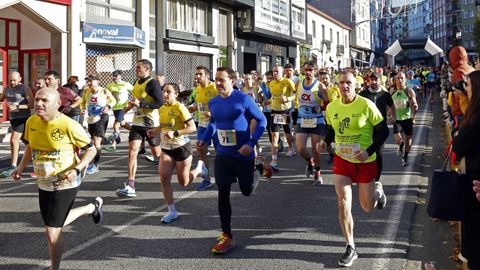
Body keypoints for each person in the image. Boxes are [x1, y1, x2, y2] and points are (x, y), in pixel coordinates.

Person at [11, 88, 103, 270]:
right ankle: (91, 207)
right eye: (37, 99)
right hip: (44, 180)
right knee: (53, 222)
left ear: (57, 104)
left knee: (52, 231)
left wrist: (77, 169)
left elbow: (91, 149)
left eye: (44, 100)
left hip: (66, 180)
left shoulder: (69, 125)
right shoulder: (32, 121)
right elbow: (30, 147)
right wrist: (20, 167)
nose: (38, 103)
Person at [317, 71, 388, 267]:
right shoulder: (332, 107)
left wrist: (368, 151)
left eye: (348, 83)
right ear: (337, 85)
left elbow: (383, 131)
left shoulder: (366, 105)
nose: (344, 86)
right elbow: (331, 130)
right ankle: (350, 246)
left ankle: (377, 191)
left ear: (355, 85)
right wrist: (324, 142)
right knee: (343, 202)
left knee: (367, 207)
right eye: (341, 83)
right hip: (342, 161)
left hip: (365, 162)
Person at [197, 67, 266, 254]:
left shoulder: (243, 99)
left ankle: (258, 169)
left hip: (243, 155)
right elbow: (213, 123)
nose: (218, 83)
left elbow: (262, 121)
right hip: (223, 155)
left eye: (222, 80)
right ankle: (227, 236)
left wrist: (252, 143)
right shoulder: (213, 102)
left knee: (247, 191)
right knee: (222, 194)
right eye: (216, 80)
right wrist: (204, 137)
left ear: (232, 81)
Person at [147, 83, 207, 223]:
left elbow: (192, 127)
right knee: (164, 178)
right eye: (164, 91)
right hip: (166, 149)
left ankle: (199, 168)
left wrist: (175, 133)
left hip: (181, 148)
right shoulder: (161, 109)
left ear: (176, 94)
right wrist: (154, 131)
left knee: (184, 182)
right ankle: (172, 211)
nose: (165, 94)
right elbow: (163, 125)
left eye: (169, 92)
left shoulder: (180, 107)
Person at [115, 59, 164, 198]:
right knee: (132, 151)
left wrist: (142, 104)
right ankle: (131, 185)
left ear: (147, 69)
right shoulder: (136, 83)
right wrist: (124, 111)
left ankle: (168, 165)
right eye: (136, 68)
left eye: (139, 68)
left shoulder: (152, 83)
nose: (136, 70)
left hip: (150, 123)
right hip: (137, 122)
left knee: (156, 152)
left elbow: (160, 103)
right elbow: (134, 102)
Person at [452, 70, 480, 270]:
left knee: (475, 235)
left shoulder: (477, 116)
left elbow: (460, 145)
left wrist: (458, 135)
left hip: (476, 181)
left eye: (468, 85)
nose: (465, 89)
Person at [359, 72, 395, 187]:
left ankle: (377, 179)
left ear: (381, 81)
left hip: (380, 129)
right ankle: (365, 176)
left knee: (378, 153)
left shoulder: (385, 95)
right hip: (366, 129)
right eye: (372, 80)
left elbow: (392, 105)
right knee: (365, 152)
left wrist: (394, 116)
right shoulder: (362, 94)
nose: (374, 82)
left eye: (376, 80)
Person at [294, 61, 328, 186]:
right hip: (302, 119)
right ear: (303, 70)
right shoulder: (298, 83)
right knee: (300, 148)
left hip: (316, 120)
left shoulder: (320, 86)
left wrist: (320, 108)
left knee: (316, 148)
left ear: (315, 71)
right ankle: (310, 161)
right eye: (306, 69)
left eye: (311, 70)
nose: (308, 72)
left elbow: (327, 103)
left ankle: (318, 172)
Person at [189, 66, 218, 191]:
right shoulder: (197, 89)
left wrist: (213, 113)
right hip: (202, 124)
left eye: (200, 74)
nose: (197, 76)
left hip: (216, 124)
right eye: (196, 74)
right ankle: (206, 180)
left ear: (207, 76)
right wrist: (193, 107)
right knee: (201, 149)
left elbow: (223, 102)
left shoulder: (215, 87)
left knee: (221, 152)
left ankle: (225, 175)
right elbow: (199, 103)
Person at [0, 71, 34, 177]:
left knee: (13, 140)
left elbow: (32, 104)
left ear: (20, 79)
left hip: (23, 118)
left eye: (14, 80)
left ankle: (13, 166)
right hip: (13, 118)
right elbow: (1, 99)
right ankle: (38, 156)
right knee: (27, 141)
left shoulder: (25, 88)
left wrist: (18, 107)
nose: (12, 82)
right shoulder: (7, 88)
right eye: (10, 80)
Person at [81, 75, 116, 174]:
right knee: (95, 140)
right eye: (88, 81)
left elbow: (113, 101)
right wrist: (82, 109)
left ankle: (95, 165)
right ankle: (110, 142)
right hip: (91, 118)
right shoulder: (86, 91)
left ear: (98, 81)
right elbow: (82, 102)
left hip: (102, 117)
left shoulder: (104, 91)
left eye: (91, 80)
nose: (89, 82)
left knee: (96, 141)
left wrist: (108, 106)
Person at [267, 65, 296, 170]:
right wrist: (268, 101)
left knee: (288, 135)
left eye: (277, 72)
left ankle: (292, 147)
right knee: (274, 136)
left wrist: (288, 98)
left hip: (285, 111)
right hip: (274, 111)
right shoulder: (271, 83)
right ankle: (274, 160)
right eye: (274, 71)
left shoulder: (288, 82)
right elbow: (272, 97)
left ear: (282, 72)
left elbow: (296, 95)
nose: (275, 73)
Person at [391, 72, 418, 166]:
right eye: (398, 78)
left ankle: (405, 156)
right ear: (395, 80)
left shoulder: (409, 91)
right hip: (397, 119)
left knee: (408, 139)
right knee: (398, 139)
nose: (400, 80)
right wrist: (388, 114)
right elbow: (389, 105)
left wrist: (414, 116)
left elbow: (415, 106)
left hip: (407, 119)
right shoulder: (392, 91)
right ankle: (400, 145)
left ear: (405, 79)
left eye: (402, 78)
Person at [104, 70, 134, 151]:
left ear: (120, 76)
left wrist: (132, 101)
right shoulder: (110, 85)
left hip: (122, 107)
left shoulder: (126, 84)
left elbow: (134, 92)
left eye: (116, 76)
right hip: (115, 108)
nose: (114, 77)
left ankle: (114, 144)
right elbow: (107, 95)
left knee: (116, 125)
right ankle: (137, 132)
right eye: (113, 76)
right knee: (123, 124)